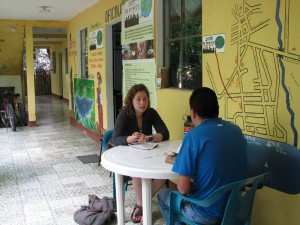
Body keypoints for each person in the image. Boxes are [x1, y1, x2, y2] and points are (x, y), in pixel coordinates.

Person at [157, 87, 247, 225]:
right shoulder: (236, 131)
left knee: (163, 196)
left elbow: (183, 188)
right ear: (217, 109)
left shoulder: (193, 136)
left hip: (205, 213)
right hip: (235, 209)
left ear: (192, 113)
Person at [112, 83, 170, 223]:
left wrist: (149, 138)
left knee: (163, 173)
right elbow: (115, 139)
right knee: (137, 173)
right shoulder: (124, 114)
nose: (142, 102)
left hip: (147, 153)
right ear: (131, 100)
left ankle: (140, 204)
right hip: (127, 156)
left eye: (145, 99)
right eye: (138, 99)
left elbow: (165, 133)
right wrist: (130, 139)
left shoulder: (151, 113)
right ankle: (144, 205)